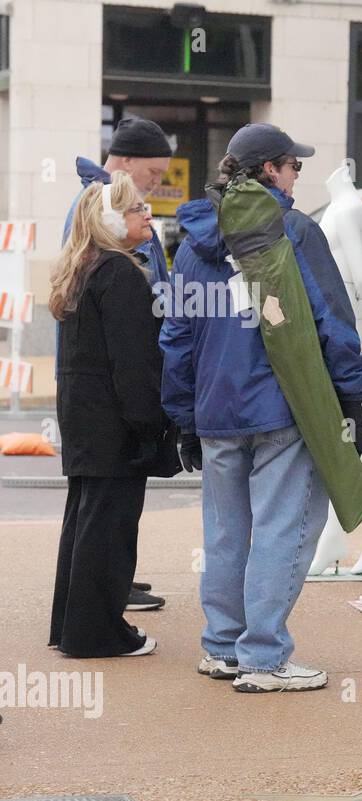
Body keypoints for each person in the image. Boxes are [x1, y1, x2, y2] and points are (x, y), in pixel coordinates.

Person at [160, 123, 362, 693]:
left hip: (215, 410)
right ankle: (264, 658)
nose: (298, 175)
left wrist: (181, 414)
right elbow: (331, 319)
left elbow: (176, 335)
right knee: (285, 528)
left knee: (226, 532)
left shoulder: (193, 241)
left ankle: (224, 647)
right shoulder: (296, 231)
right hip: (284, 407)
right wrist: (350, 394)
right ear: (269, 171)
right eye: (293, 166)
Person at [47, 172, 180, 658]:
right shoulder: (122, 274)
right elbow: (134, 363)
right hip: (113, 426)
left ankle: (71, 626)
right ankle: (98, 634)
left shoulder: (81, 269)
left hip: (85, 421)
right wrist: (151, 424)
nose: (148, 215)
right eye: (136, 209)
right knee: (109, 531)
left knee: (83, 524)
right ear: (109, 220)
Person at [63, 116, 175, 614]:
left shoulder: (99, 254)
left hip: (93, 405)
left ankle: (90, 605)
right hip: (108, 409)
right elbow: (123, 350)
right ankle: (96, 613)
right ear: (125, 162)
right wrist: (146, 418)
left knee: (94, 514)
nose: (154, 192)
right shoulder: (112, 264)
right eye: (152, 174)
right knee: (103, 514)